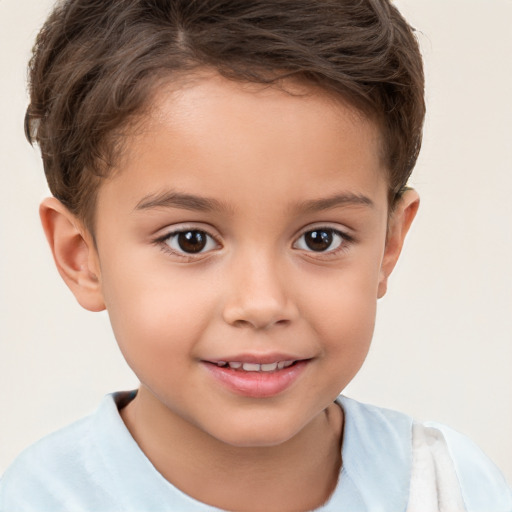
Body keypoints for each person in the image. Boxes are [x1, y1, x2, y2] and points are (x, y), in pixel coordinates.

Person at [0, 0, 510, 510]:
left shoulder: (448, 487)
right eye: (190, 240)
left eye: (320, 238)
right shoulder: (35, 500)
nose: (263, 303)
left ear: (388, 244)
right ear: (80, 256)